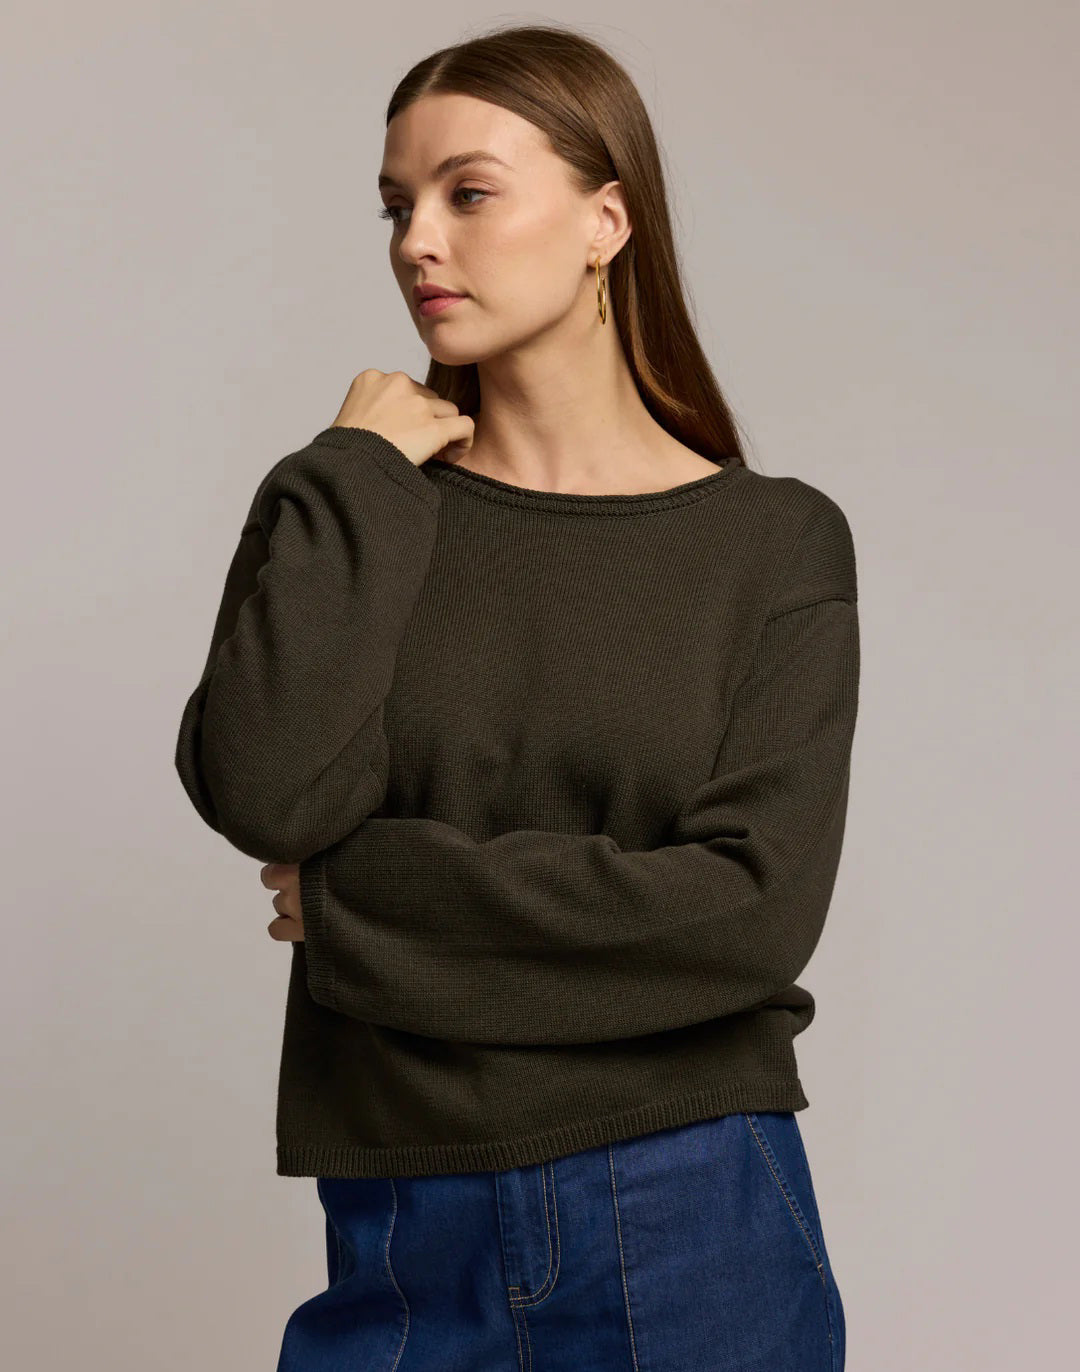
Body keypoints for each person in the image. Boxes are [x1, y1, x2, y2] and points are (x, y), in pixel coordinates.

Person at [175, 22, 857, 1372]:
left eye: (467, 193)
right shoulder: (352, 503)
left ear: (605, 218)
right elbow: (262, 792)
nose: (417, 241)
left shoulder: (772, 543)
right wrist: (357, 476)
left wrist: (361, 896)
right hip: (399, 1226)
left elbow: (750, 916)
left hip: (688, 1205)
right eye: (398, 204)